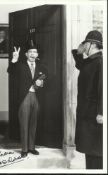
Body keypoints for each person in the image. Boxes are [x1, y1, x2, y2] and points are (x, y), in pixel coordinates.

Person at [7, 40, 48, 158]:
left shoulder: (42, 66)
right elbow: (10, 71)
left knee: (33, 123)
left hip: (37, 97)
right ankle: (24, 149)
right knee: (24, 123)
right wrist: (14, 60)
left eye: (35, 52)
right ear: (26, 54)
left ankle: (31, 147)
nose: (32, 54)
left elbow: (46, 78)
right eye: (30, 51)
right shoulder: (20, 65)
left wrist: (42, 83)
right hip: (24, 96)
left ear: (37, 54)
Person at [72, 30, 103, 169]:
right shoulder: (90, 61)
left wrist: (102, 112)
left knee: (96, 151)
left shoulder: (100, 62)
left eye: (85, 44)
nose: (84, 47)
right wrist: (79, 50)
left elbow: (103, 88)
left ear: (91, 44)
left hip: (94, 115)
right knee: (89, 150)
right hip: (86, 113)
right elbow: (80, 63)